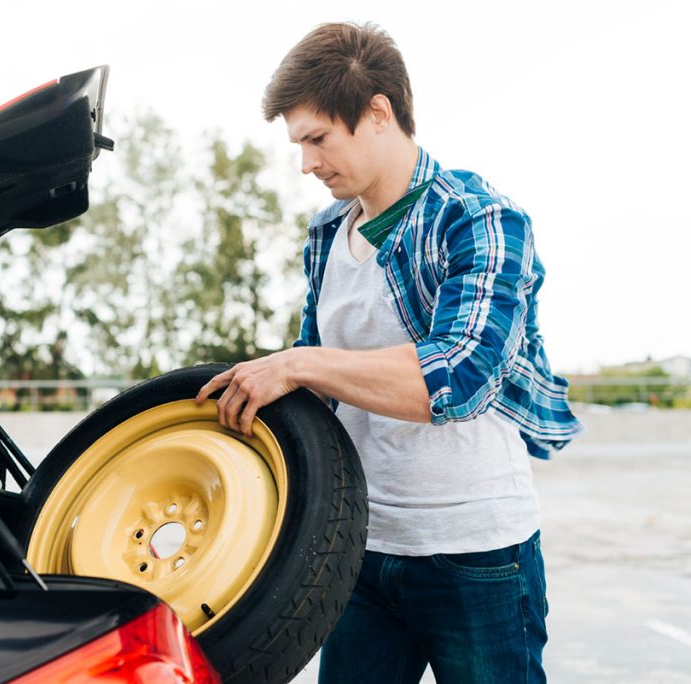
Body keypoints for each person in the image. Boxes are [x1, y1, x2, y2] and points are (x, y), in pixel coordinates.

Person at [195, 21, 582, 684]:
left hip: (476, 551)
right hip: (359, 545)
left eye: (317, 139)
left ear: (377, 113)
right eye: (300, 144)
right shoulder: (326, 232)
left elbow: (457, 376)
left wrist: (299, 364)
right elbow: (315, 370)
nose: (307, 163)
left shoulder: (482, 217)